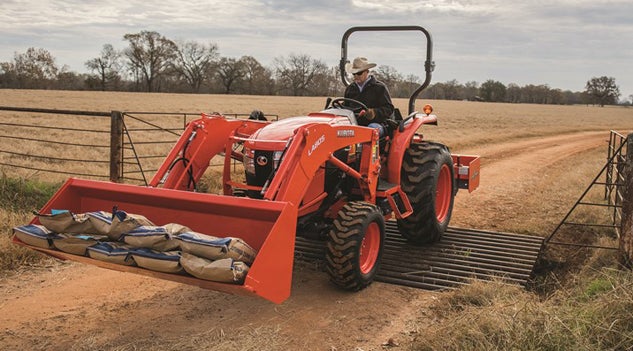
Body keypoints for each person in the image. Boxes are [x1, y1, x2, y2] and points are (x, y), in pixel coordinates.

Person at [344, 57, 395, 137]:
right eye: (354, 74)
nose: (356, 76)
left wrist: (374, 113)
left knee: (370, 130)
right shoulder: (350, 89)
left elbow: (389, 109)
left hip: (376, 123)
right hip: (355, 123)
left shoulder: (379, 88)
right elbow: (345, 106)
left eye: (359, 73)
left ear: (367, 72)